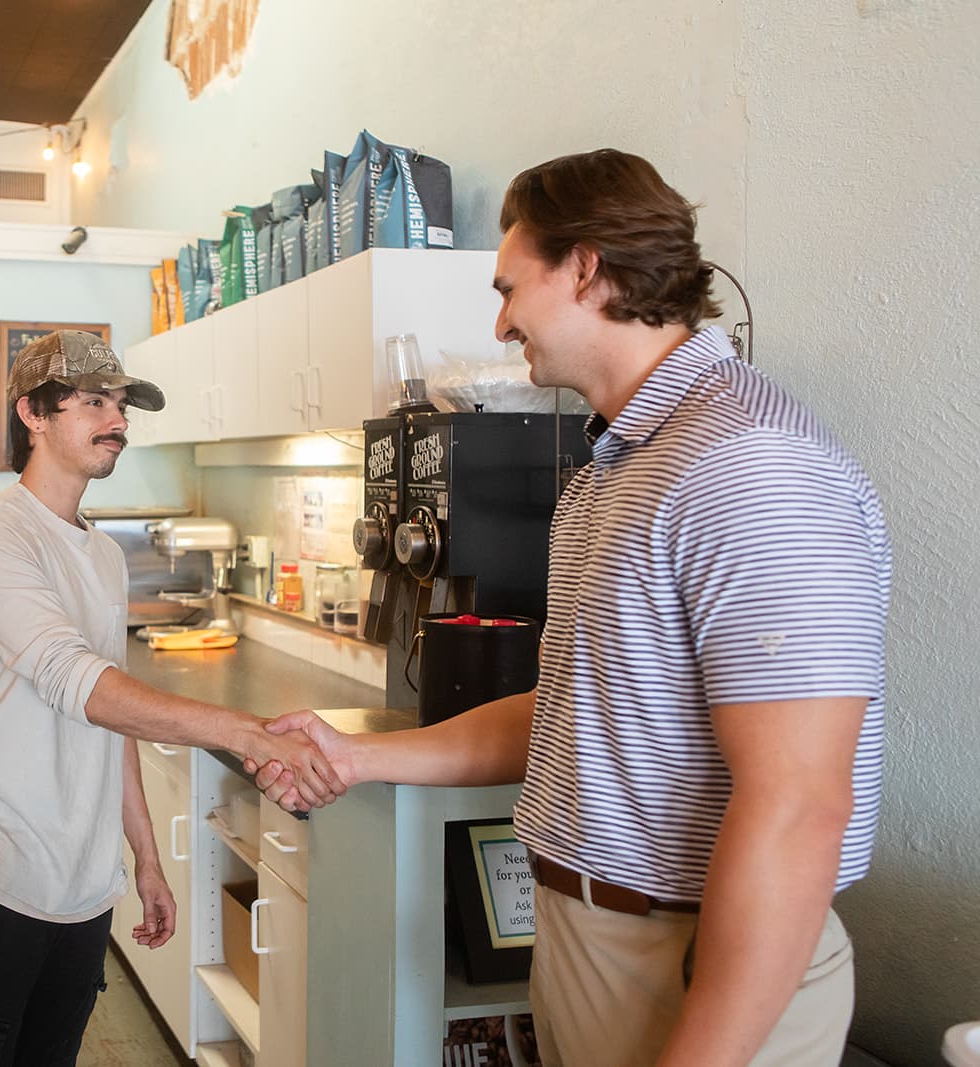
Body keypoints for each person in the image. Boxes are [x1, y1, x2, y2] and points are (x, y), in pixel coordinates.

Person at [250, 150, 890, 1067]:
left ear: (586, 267)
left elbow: (798, 807)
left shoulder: (748, 464)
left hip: (701, 961)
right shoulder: (617, 467)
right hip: (597, 941)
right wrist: (357, 755)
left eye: (511, 287)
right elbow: (570, 712)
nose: (502, 320)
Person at [0, 329, 343, 1065]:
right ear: (33, 414)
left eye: (120, 404)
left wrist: (145, 857)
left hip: (83, 885)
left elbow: (110, 728)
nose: (116, 419)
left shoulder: (106, 554)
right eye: (92, 402)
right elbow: (77, 682)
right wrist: (252, 733)